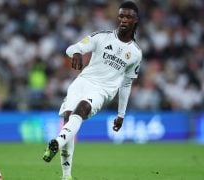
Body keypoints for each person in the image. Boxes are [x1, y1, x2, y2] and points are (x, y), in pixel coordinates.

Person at [42, 1, 142, 180]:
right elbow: (72, 48)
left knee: (81, 109)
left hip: (103, 90)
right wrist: (78, 53)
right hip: (82, 82)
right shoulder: (101, 37)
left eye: (128, 16)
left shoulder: (135, 53)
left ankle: (56, 142)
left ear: (136, 20)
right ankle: (66, 176)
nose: (124, 20)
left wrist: (121, 114)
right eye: (121, 16)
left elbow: (126, 84)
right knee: (68, 120)